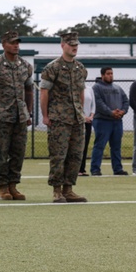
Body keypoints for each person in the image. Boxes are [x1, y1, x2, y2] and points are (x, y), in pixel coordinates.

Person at [0, 30, 33, 200]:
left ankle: (13, 185)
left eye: (17, 42)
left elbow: (29, 90)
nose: (16, 45)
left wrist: (29, 112)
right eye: (12, 42)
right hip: (1, 116)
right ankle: (3, 187)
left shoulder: (25, 66)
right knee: (2, 153)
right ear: (4, 44)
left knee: (18, 153)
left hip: (20, 116)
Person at [39, 32, 87, 203]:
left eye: (76, 45)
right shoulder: (52, 68)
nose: (74, 47)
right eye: (71, 44)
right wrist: (45, 115)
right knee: (58, 155)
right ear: (62, 45)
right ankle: (57, 191)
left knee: (75, 155)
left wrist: (81, 112)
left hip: (76, 119)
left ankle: (69, 189)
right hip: (59, 118)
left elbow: (81, 92)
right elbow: (44, 93)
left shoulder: (80, 68)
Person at [89, 66, 129, 176]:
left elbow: (126, 101)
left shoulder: (117, 88)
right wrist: (111, 112)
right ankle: (95, 169)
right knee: (100, 145)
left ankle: (117, 169)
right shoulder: (96, 88)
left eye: (111, 73)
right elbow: (99, 103)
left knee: (116, 146)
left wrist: (122, 111)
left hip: (117, 121)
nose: (110, 75)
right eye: (108, 73)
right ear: (102, 75)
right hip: (102, 121)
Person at [79, 84, 95, 177]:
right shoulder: (75, 88)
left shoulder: (89, 89)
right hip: (79, 120)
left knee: (85, 144)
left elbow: (93, 105)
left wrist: (91, 116)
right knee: (77, 145)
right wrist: (84, 117)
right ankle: (75, 169)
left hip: (89, 121)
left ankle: (82, 168)